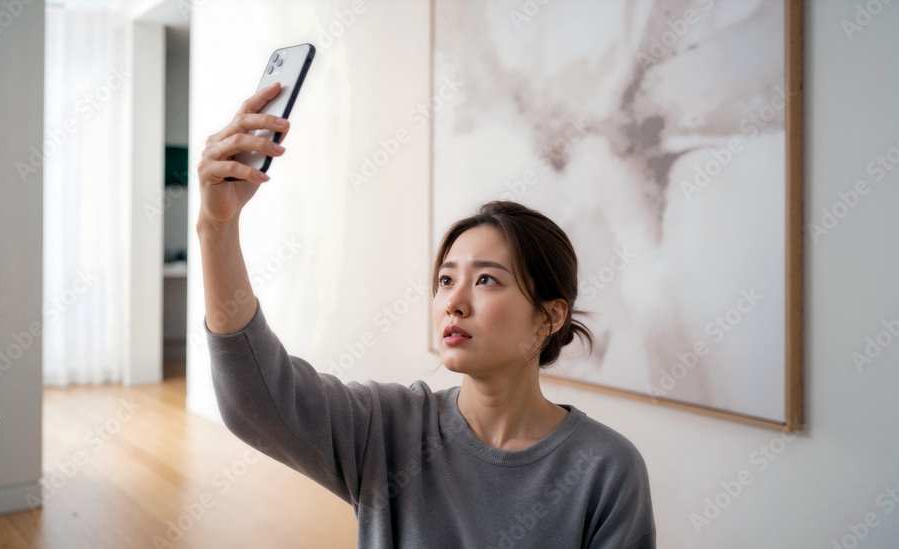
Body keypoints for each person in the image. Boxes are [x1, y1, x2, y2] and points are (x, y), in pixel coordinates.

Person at [198, 82, 656, 548]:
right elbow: (255, 400)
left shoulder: (606, 470)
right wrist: (217, 227)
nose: (454, 302)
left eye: (486, 280)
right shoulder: (389, 428)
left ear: (550, 317)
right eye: (445, 280)